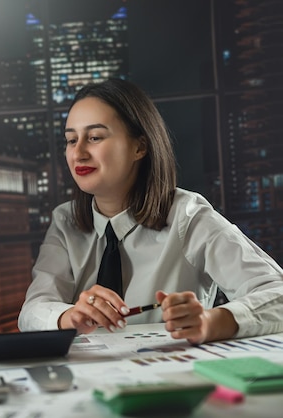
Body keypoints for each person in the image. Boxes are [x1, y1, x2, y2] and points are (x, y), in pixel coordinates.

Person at [18, 78, 283, 345]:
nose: (79, 153)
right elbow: (32, 310)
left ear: (140, 147)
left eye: (95, 137)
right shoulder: (66, 222)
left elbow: (278, 294)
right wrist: (69, 317)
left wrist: (211, 322)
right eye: (71, 140)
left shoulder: (186, 216)